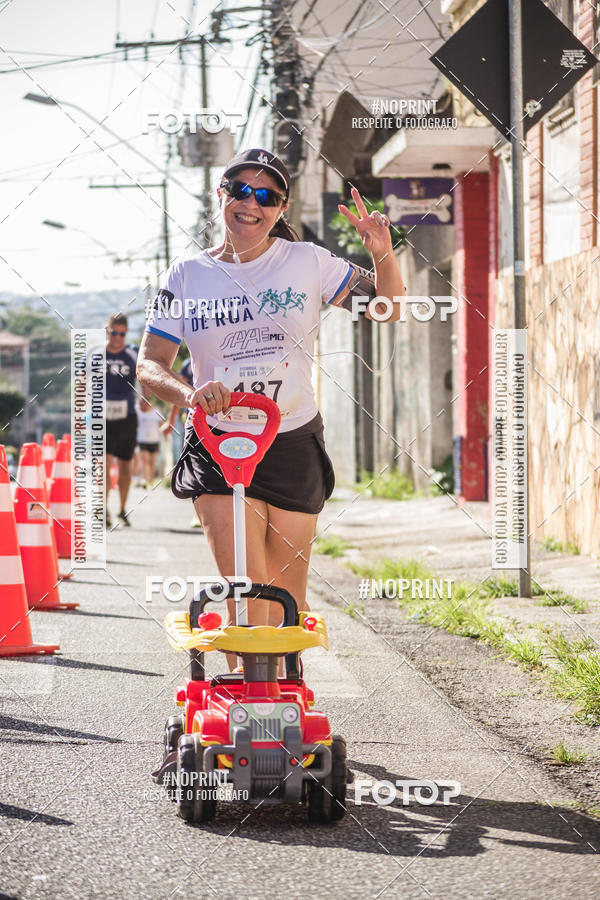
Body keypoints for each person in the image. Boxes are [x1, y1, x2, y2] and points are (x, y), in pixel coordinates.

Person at [137, 147, 404, 639]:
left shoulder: (307, 261)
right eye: (240, 190)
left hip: (292, 440)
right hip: (220, 442)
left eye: (267, 195)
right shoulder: (186, 275)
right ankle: (248, 708)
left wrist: (381, 251)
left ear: (281, 209)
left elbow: (387, 310)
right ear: (221, 195)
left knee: (285, 603)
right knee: (247, 593)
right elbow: (150, 365)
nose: (251, 203)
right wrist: (192, 392)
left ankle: (283, 694)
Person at [105, 312, 138, 527]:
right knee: (104, 464)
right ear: (107, 331)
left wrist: (148, 398)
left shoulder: (133, 354)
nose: (118, 338)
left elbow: (146, 376)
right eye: (114, 333)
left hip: (127, 417)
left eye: (122, 334)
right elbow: (81, 380)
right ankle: (103, 509)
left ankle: (122, 509)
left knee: (125, 467)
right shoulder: (94, 354)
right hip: (102, 418)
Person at [136, 394, 163, 486]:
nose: (144, 404)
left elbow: (161, 424)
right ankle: (144, 479)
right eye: (143, 402)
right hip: (142, 440)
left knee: (152, 461)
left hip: (154, 440)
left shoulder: (156, 412)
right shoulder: (138, 413)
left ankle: (150, 481)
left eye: (146, 402)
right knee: (145, 460)